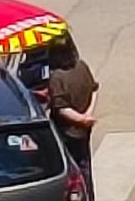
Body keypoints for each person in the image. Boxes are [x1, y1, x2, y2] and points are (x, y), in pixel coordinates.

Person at [47, 37, 99, 200]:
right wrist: (87, 116)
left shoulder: (57, 77)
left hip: (67, 131)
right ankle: (90, 196)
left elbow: (61, 108)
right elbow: (94, 90)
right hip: (84, 130)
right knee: (86, 166)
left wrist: (80, 119)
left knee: (72, 171)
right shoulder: (82, 66)